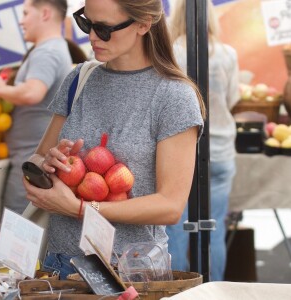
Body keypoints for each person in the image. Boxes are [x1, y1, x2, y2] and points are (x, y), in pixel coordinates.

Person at [22, 0, 205, 280]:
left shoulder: (173, 96)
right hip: (60, 265)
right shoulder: (79, 79)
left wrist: (82, 209)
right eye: (87, 23)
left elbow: (170, 206)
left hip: (131, 273)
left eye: (104, 29)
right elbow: (37, 157)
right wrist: (46, 164)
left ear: (143, 24)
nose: (92, 37)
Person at [166, 0, 239, 281]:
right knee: (214, 228)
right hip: (221, 149)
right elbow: (233, 99)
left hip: (180, 150)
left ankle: (177, 292)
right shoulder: (228, 53)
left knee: (175, 226)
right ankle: (214, 291)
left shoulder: (173, 51)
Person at [0, 0, 72, 214]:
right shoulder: (51, 49)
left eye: (26, 13)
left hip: (31, 160)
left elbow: (32, 92)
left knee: (16, 231)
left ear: (44, 13)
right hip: (31, 158)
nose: (21, 21)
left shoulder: (47, 52)